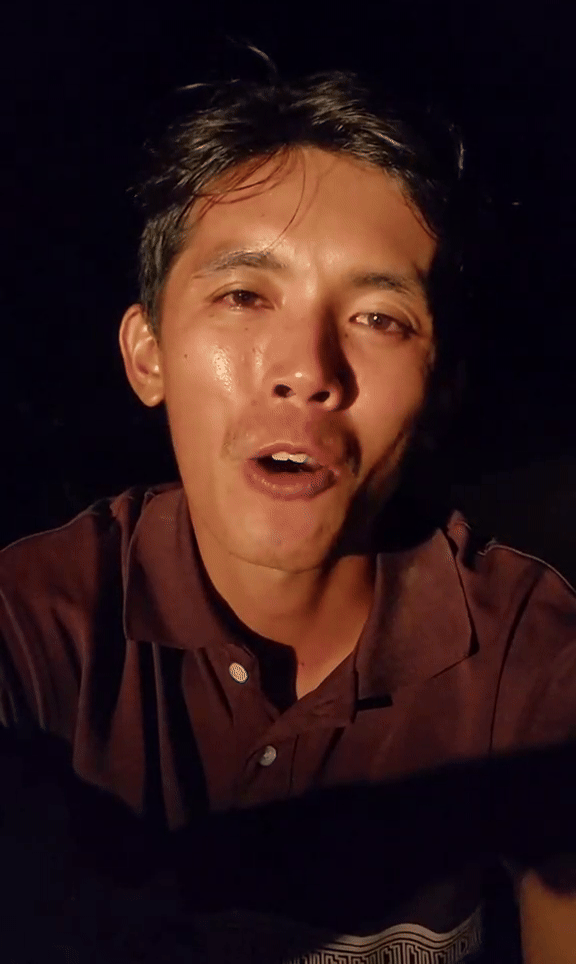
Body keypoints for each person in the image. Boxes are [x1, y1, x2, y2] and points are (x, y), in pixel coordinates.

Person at [1, 49, 576, 963]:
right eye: (243, 295)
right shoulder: (36, 627)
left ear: (441, 391)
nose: (308, 369)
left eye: (379, 318)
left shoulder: (529, 655)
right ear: (148, 355)